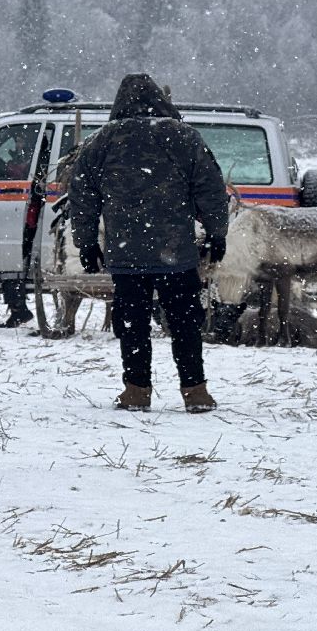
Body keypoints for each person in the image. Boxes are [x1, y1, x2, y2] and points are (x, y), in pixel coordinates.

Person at [69, 74, 229, 414]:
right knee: (185, 322)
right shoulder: (184, 138)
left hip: (126, 253)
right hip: (176, 252)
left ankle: (137, 390)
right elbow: (211, 188)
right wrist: (217, 233)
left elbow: (82, 195)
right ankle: (195, 391)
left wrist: (85, 243)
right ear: (160, 99)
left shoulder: (103, 141)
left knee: (132, 322)